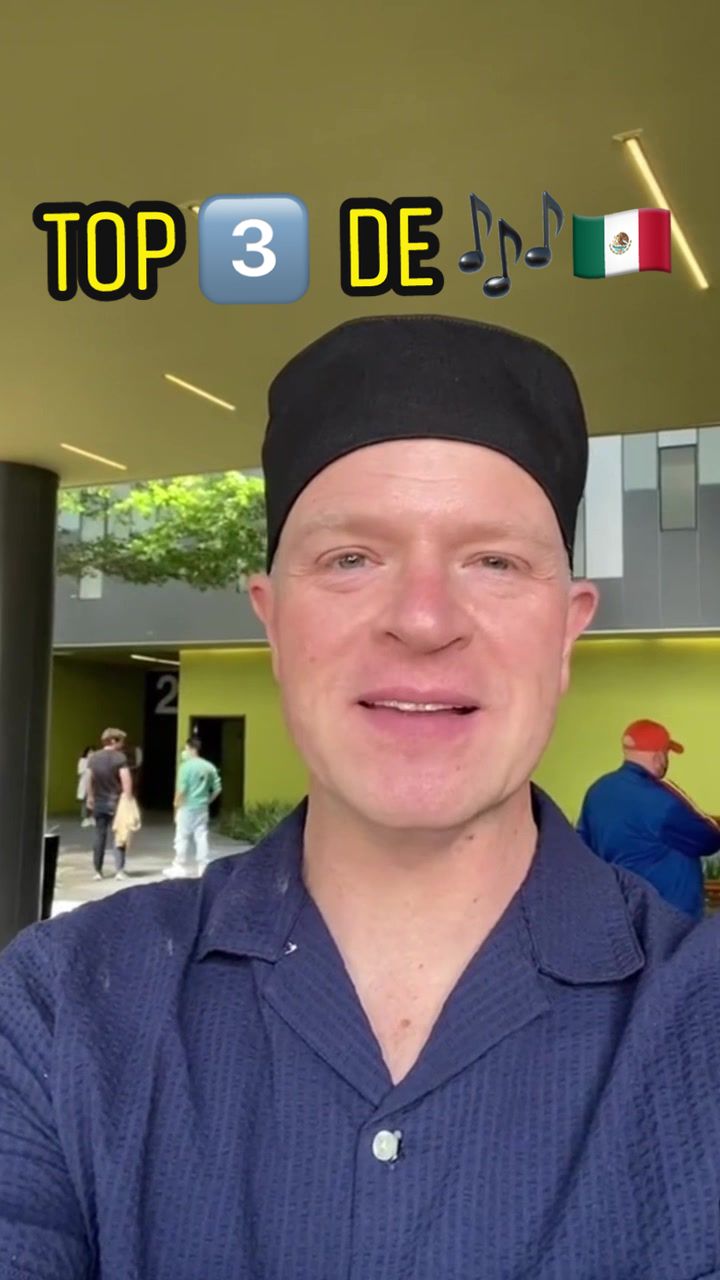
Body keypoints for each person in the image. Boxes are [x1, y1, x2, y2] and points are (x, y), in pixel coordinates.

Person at [3, 317, 720, 1279]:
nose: (423, 620)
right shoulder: (63, 1006)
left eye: (495, 561)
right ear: (272, 623)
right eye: (351, 558)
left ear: (566, 632)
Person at [577, 718, 720, 920]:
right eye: (667, 753)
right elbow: (709, 839)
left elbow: (583, 847)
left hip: (623, 909)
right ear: (659, 756)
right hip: (669, 914)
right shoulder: (661, 798)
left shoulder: (597, 791)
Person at [163, 736, 222, 878]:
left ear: (190, 748)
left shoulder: (185, 767)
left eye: (185, 748)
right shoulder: (209, 766)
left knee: (182, 837)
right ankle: (203, 867)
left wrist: (176, 804)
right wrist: (208, 801)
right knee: (201, 836)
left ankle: (179, 866)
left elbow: (181, 790)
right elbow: (217, 788)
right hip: (202, 807)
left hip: (186, 807)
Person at [86, 726, 133, 882]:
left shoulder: (93, 757)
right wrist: (128, 799)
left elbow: (89, 778)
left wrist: (90, 797)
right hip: (116, 802)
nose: (123, 744)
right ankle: (119, 870)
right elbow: (126, 779)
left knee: (99, 835)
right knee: (119, 835)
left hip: (99, 802)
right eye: (121, 741)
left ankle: (98, 871)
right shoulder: (120, 758)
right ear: (113, 740)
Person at [76, 745, 95, 827]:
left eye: (93, 752)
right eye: (89, 752)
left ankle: (92, 817)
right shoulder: (82, 760)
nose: (91, 754)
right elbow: (80, 771)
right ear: (86, 753)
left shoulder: (96, 761)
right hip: (85, 784)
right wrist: (88, 765)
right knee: (85, 802)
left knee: (93, 801)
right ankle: (85, 818)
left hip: (94, 784)